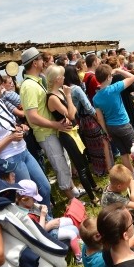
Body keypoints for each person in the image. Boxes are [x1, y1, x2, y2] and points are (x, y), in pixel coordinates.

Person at [20, 47, 83, 200]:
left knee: (64, 161)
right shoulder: (28, 86)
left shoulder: (36, 82)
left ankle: (73, 190)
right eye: (41, 59)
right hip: (46, 133)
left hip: (51, 131)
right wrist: (57, 125)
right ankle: (71, 199)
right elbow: (32, 117)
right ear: (35, 63)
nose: (43, 62)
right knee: (60, 165)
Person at [0, 70, 51, 203]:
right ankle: (44, 221)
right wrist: (10, 138)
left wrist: (19, 127)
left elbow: (8, 126)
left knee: (44, 188)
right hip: (11, 160)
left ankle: (47, 218)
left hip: (24, 151)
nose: (3, 88)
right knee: (28, 197)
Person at [46, 65, 101, 205]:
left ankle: (94, 186)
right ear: (58, 79)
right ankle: (93, 198)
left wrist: (69, 105)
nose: (64, 78)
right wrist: (69, 97)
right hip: (67, 135)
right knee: (81, 166)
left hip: (73, 131)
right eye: (62, 76)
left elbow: (73, 112)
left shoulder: (59, 92)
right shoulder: (52, 97)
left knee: (84, 160)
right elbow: (71, 114)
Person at [16, 179, 83, 263]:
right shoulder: (26, 217)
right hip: (47, 234)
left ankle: (79, 243)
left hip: (48, 224)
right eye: (33, 199)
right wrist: (43, 215)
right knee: (72, 233)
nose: (35, 201)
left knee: (70, 222)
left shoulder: (26, 204)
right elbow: (39, 232)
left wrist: (40, 206)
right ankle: (79, 258)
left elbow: (35, 205)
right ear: (23, 199)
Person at [63, 65, 113, 176]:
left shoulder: (64, 89)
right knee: (102, 142)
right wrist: (99, 120)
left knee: (92, 147)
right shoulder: (76, 89)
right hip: (90, 120)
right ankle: (107, 168)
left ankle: (98, 169)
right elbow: (88, 107)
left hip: (80, 121)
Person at [93, 64, 134, 176]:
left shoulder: (96, 98)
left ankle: (132, 175)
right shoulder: (115, 88)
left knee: (123, 154)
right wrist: (118, 70)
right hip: (123, 125)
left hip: (111, 127)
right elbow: (132, 78)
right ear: (108, 77)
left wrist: (105, 132)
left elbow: (100, 118)